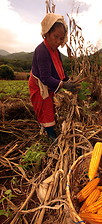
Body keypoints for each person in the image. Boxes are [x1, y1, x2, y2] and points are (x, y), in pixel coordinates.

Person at [29, 13, 79, 141]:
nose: (58, 41)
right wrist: (64, 84)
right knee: (46, 110)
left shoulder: (55, 51)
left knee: (51, 107)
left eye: (61, 38)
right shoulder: (41, 51)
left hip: (49, 83)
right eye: (55, 37)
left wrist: (68, 80)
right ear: (47, 33)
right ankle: (51, 136)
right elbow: (45, 78)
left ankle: (48, 128)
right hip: (39, 85)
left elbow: (60, 70)